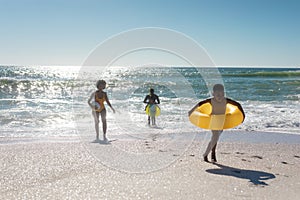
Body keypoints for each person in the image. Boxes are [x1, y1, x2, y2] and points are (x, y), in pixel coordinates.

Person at [188, 84, 228, 162]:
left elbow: (237, 105)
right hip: (212, 120)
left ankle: (206, 154)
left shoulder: (226, 101)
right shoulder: (211, 101)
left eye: (222, 94)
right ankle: (212, 154)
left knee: (214, 139)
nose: (220, 96)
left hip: (221, 122)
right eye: (218, 95)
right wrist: (191, 111)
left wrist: (241, 115)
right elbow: (200, 104)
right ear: (213, 94)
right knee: (215, 136)